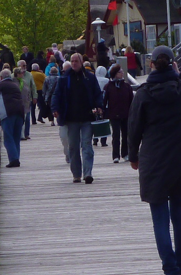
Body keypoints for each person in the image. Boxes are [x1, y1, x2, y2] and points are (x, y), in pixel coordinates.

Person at [128, 46, 181, 275]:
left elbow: (134, 128)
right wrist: (179, 75)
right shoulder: (180, 87)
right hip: (180, 159)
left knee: (159, 218)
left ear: (150, 64)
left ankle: (170, 273)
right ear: (173, 64)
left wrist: (132, 156)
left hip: (154, 160)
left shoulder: (143, 93)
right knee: (179, 214)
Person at [50, 52, 103, 184]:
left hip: (87, 118)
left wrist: (99, 106)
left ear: (81, 62)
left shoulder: (89, 78)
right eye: (72, 61)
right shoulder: (64, 78)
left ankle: (87, 173)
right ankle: (76, 174)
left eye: (76, 61)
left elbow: (97, 93)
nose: (73, 63)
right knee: (73, 147)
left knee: (86, 145)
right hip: (71, 118)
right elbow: (56, 95)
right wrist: (55, 109)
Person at [0, 67, 26, 168]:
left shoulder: (0, 85)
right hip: (20, 113)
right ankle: (16, 157)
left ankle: (14, 159)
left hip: (7, 113)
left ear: (1, 77)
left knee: (8, 137)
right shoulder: (15, 85)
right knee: (16, 137)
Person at [102, 64, 134, 163]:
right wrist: (102, 111)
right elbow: (104, 100)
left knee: (125, 135)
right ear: (115, 74)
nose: (122, 73)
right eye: (120, 72)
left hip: (126, 114)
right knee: (116, 135)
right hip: (114, 114)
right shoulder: (108, 86)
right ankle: (115, 155)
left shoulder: (127, 86)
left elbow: (132, 101)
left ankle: (125, 153)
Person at [15, 59, 37, 140]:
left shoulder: (29, 75)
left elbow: (33, 86)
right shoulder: (14, 75)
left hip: (27, 99)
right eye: (23, 65)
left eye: (25, 65)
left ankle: (26, 134)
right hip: (17, 100)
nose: (25, 67)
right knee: (19, 118)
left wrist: (35, 96)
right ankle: (19, 133)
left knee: (27, 117)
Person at [94, 66, 111, 146]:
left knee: (95, 120)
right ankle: (103, 141)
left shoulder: (94, 79)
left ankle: (95, 139)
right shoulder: (107, 81)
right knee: (104, 121)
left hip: (95, 103)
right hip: (105, 103)